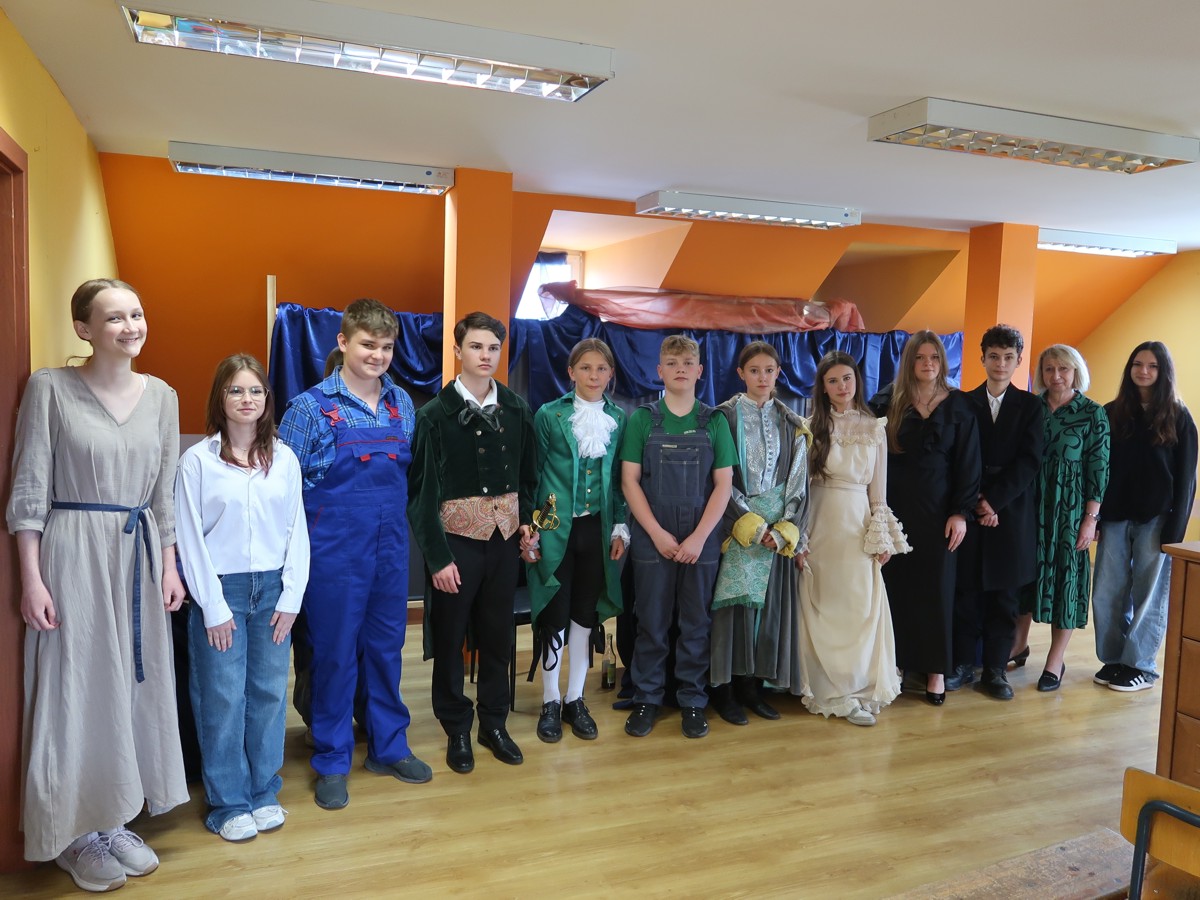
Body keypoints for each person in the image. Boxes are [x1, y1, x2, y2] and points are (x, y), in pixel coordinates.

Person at [7, 278, 188, 892]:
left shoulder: (163, 397)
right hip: (74, 554)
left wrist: (169, 566)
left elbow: (162, 495)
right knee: (75, 689)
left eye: (137, 314)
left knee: (132, 687)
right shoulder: (50, 388)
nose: (131, 326)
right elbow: (30, 489)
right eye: (114, 317)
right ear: (84, 329)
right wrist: (31, 580)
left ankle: (113, 816)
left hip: (138, 555)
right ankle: (72, 832)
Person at [279, 298, 431, 811]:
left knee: (387, 649)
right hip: (333, 555)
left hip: (389, 551)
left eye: (386, 347)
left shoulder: (401, 403)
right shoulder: (308, 409)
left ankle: (389, 746)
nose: (378, 355)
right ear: (343, 342)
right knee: (335, 655)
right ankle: (331, 758)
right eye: (368, 344)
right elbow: (283, 493)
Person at [176, 354, 310, 841]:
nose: (247, 399)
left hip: (273, 590)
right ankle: (228, 802)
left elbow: (296, 530)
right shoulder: (197, 461)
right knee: (223, 697)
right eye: (236, 390)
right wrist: (212, 606)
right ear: (220, 398)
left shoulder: (285, 459)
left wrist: (291, 597)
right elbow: (189, 538)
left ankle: (263, 791)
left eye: (256, 390)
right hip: (222, 591)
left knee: (269, 694)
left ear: (267, 399)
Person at [408, 311, 538, 773]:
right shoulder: (433, 416)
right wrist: (437, 558)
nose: (486, 356)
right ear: (458, 351)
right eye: (477, 347)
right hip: (456, 544)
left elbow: (529, 478)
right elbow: (421, 496)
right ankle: (456, 726)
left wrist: (528, 523)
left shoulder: (517, 409)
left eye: (493, 348)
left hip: (503, 542)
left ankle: (493, 723)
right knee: (450, 638)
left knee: (498, 635)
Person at [619, 334, 735, 739]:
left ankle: (692, 701)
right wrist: (656, 533)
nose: (680, 368)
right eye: (672, 362)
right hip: (653, 536)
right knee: (650, 622)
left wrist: (699, 538)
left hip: (701, 538)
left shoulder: (715, 421)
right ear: (660, 371)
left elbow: (724, 485)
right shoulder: (641, 419)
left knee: (696, 623)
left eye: (687, 362)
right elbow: (629, 481)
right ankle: (647, 699)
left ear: (700, 370)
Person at [870, 330, 980, 705]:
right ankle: (897, 666)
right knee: (897, 588)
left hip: (940, 513)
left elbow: (969, 464)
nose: (928, 363)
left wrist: (960, 513)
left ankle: (936, 672)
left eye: (934, 357)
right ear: (910, 362)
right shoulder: (887, 401)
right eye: (920, 357)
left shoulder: (960, 405)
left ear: (943, 362)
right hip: (894, 510)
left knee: (938, 591)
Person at [526, 338, 628, 743]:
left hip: (596, 531)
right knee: (555, 616)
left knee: (585, 616)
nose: (594, 375)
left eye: (601, 368)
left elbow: (618, 480)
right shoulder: (549, 414)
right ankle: (550, 701)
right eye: (585, 367)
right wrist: (531, 528)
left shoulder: (618, 418)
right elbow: (534, 475)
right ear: (571, 372)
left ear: (611, 374)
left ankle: (575, 699)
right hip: (554, 530)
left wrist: (620, 527)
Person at [799, 351, 908, 726]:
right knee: (822, 601)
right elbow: (802, 488)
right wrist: (801, 536)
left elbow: (879, 493)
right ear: (823, 387)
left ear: (857, 381)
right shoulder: (810, 426)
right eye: (833, 381)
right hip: (820, 522)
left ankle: (858, 688)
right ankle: (828, 687)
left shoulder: (875, 427)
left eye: (847, 378)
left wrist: (882, 537)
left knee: (859, 604)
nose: (841, 386)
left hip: (857, 524)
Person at [709, 341, 810, 725]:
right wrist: (749, 521)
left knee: (765, 611)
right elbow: (719, 477)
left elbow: (798, 479)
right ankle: (723, 690)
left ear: (778, 373)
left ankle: (752, 689)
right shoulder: (724, 418)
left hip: (775, 535)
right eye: (754, 370)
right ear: (741, 374)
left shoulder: (792, 423)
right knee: (730, 610)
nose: (762, 377)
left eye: (769, 370)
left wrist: (784, 528)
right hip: (737, 526)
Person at [1092, 342, 1196, 692]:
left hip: (1157, 519)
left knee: (1148, 594)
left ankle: (1140, 666)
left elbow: (1187, 478)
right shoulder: (1111, 412)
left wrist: (1175, 531)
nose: (1144, 371)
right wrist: (1095, 517)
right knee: (1107, 591)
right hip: (1114, 516)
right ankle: (1113, 658)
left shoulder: (1179, 417)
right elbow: (1099, 468)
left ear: (1163, 372)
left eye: (1152, 366)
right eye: (1138, 364)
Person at [947, 325, 1044, 701]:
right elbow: (957, 456)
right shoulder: (963, 402)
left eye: (1008, 357)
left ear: (1018, 361)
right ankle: (960, 665)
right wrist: (975, 501)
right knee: (966, 593)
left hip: (1011, 512)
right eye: (993, 356)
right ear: (982, 358)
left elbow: (1030, 460)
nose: (1000, 364)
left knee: (1004, 597)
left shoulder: (1031, 406)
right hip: (969, 506)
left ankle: (995, 670)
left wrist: (995, 502)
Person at [1014, 345, 1111, 692]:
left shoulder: (1093, 413)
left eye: (1064, 369)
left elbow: (1099, 468)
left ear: (1076, 372)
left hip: (1069, 510)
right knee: (1024, 576)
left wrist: (1091, 518)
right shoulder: (1031, 407)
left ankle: (1055, 660)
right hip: (1029, 506)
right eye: (1049, 369)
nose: (1056, 376)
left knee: (1066, 580)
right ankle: (1018, 645)